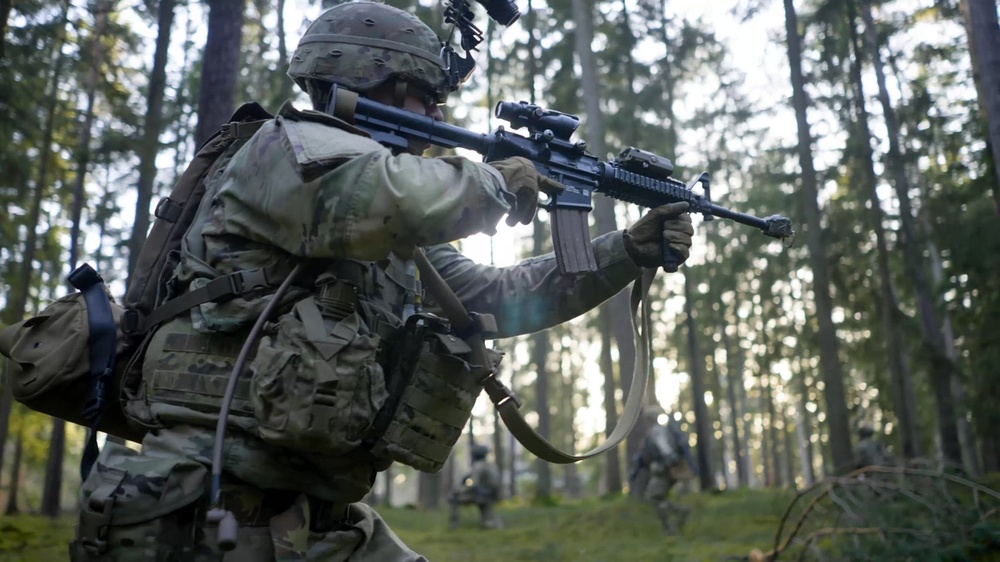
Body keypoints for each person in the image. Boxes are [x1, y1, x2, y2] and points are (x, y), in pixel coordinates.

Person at [71, 2, 694, 560]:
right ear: (386, 86)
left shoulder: (385, 228)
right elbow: (388, 195)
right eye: (428, 98)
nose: (438, 117)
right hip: (197, 503)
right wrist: (500, 180)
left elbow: (500, 296)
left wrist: (624, 252)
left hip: (313, 510)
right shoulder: (287, 151)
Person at [631, 409, 695, 534]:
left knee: (654, 498)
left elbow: (664, 448)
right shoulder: (659, 431)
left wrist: (667, 463)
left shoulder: (657, 432)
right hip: (665, 467)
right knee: (658, 497)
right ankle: (675, 519)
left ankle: (676, 519)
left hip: (663, 469)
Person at [448, 444, 502, 530]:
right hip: (492, 494)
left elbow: (473, 484)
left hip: (482, 495)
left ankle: (454, 524)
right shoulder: (491, 465)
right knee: (484, 505)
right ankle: (488, 522)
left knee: (453, 497)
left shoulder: (478, 466)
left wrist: (461, 490)